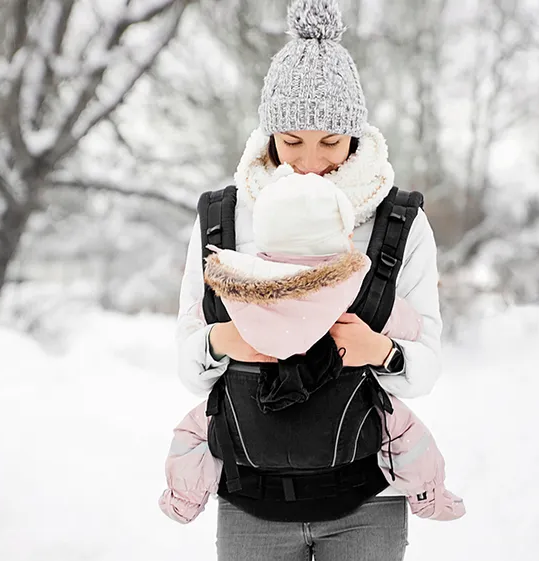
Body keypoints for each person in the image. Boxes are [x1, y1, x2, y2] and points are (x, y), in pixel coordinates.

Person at [174, 0, 444, 558]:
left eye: (330, 142)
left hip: (369, 499)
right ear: (269, 134)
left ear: (356, 135)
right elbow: (189, 368)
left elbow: (425, 367)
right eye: (291, 141)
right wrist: (223, 340)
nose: (310, 162)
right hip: (250, 500)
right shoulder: (223, 219)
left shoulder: (400, 223)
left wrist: (380, 350)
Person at [161, 168, 463, 525]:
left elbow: (201, 319)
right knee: (402, 429)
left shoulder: (238, 281)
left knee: (198, 428)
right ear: (342, 235)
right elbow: (408, 326)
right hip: (346, 430)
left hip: (251, 426)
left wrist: (219, 338)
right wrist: (381, 346)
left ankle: (183, 497)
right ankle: (428, 494)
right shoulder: (356, 282)